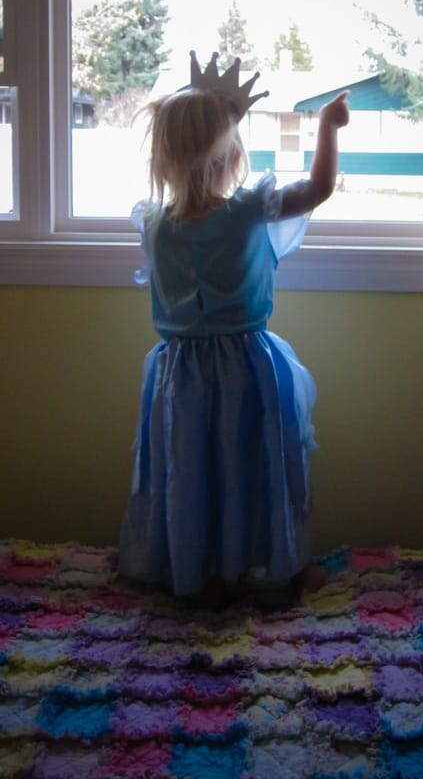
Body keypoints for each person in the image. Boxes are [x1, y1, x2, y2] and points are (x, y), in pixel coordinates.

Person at [118, 51, 349, 605]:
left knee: (191, 473)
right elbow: (318, 189)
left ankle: (198, 571)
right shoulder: (249, 210)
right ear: (231, 155)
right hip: (246, 366)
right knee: (257, 467)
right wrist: (326, 128)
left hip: (180, 373)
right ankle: (279, 570)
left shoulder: (154, 226)